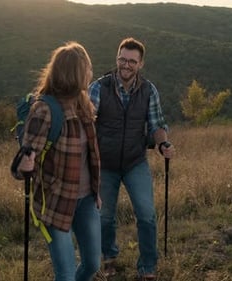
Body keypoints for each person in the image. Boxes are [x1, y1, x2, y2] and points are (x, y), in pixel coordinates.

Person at [88, 37, 175, 281]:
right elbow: (87, 118)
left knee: (147, 214)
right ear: (117, 59)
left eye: (132, 61)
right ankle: (108, 258)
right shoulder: (98, 87)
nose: (126, 65)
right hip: (105, 163)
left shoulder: (149, 90)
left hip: (135, 161)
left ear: (140, 64)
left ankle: (147, 268)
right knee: (104, 216)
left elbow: (157, 124)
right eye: (122, 59)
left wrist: (163, 143)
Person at [17, 41, 102, 281]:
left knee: (92, 264)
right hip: (54, 204)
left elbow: (91, 155)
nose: (91, 73)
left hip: (86, 201)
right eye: (88, 68)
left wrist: (96, 191)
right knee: (65, 274)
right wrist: (24, 167)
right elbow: (21, 164)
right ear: (75, 72)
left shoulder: (84, 104)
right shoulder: (45, 109)